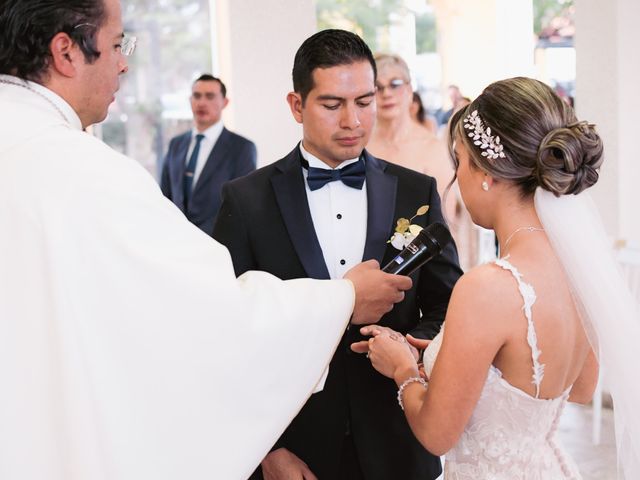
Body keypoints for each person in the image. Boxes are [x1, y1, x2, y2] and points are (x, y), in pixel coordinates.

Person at [0, 2, 414, 479]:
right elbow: (207, 315)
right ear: (66, 52)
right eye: (117, 44)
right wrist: (344, 298)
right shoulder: (85, 174)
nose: (124, 62)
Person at [356, 76, 640, 478]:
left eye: (460, 161)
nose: (458, 182)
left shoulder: (488, 287)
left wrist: (403, 367)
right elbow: (579, 389)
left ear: (486, 171)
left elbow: (437, 435)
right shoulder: (578, 268)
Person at [212, 30, 462, 480]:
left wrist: (406, 345)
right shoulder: (246, 200)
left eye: (364, 102)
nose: (352, 120)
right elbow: (228, 333)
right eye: (332, 105)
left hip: (397, 438)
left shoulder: (416, 191)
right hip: (297, 448)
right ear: (296, 105)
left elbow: (449, 306)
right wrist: (268, 449)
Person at [367, 54, 478, 269]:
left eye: (395, 84)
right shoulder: (361, 148)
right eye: (377, 87)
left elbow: (447, 220)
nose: (386, 93)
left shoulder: (434, 148)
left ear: (409, 90)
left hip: (425, 263)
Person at [161, 73, 256, 235]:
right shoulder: (175, 145)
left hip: (220, 244)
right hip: (177, 243)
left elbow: (243, 205)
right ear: (190, 100)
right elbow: (165, 197)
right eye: (197, 96)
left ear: (224, 102)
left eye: (210, 96)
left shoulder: (241, 148)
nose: (202, 103)